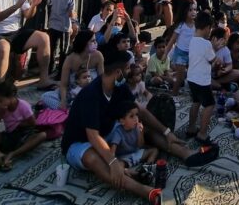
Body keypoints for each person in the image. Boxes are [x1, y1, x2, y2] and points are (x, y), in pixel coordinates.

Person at [60, 51, 217, 205]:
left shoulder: (119, 88)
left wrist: (166, 132)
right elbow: (92, 136)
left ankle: (185, 154)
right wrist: (112, 161)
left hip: (107, 133)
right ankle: (146, 191)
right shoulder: (90, 95)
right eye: (128, 68)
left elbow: (141, 111)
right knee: (93, 158)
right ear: (118, 72)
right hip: (80, 142)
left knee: (140, 126)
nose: (131, 71)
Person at [0, 81, 47, 171]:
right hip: (9, 137)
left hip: (23, 136)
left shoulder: (23, 106)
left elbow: (33, 123)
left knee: (42, 135)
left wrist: (19, 124)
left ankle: (12, 154)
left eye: (0, 101)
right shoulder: (2, 109)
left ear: (11, 97)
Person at [184, 10, 217, 145]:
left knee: (196, 102)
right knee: (209, 105)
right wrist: (215, 48)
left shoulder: (192, 40)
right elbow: (213, 60)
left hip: (191, 78)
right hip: (202, 81)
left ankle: (191, 127)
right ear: (207, 28)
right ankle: (202, 134)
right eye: (210, 29)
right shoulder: (206, 44)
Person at [49, 29, 104, 110]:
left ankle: (71, 111)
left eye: (95, 40)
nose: (95, 43)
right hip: (73, 94)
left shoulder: (98, 55)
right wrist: (63, 101)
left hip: (92, 94)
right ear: (84, 42)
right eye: (92, 41)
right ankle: (69, 110)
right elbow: (64, 84)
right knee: (46, 97)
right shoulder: (70, 59)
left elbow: (102, 79)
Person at [105, 101, 158, 169]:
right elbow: (112, 151)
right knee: (120, 165)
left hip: (135, 153)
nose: (136, 119)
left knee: (154, 150)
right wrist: (114, 162)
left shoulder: (136, 128)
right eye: (131, 116)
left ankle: (147, 168)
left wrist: (141, 132)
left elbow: (140, 145)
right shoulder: (118, 132)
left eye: (137, 115)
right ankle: (129, 171)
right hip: (124, 157)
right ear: (122, 121)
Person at [47, 0, 77, 77]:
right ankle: (61, 73)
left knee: (52, 48)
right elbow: (71, 14)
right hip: (64, 27)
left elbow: (49, 4)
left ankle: (50, 69)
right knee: (64, 51)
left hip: (53, 25)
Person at [164, 3, 197, 94]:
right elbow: (172, 41)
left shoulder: (196, 26)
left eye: (195, 10)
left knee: (193, 75)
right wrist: (165, 54)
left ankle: (192, 93)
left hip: (192, 54)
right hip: (180, 54)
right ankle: (174, 94)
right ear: (184, 11)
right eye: (190, 10)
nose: (193, 12)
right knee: (180, 78)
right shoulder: (181, 25)